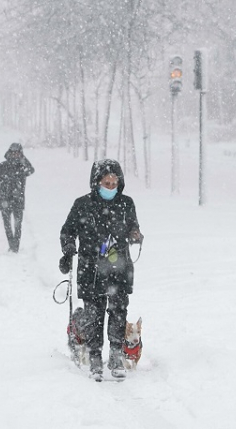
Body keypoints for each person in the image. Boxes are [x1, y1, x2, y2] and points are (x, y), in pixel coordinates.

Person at [59, 159, 143, 381]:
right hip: (91, 269)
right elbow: (67, 231)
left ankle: (116, 355)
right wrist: (68, 250)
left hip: (119, 268)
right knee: (93, 315)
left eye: (114, 183)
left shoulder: (126, 204)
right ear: (96, 183)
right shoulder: (82, 205)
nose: (110, 187)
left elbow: (134, 225)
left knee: (118, 312)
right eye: (106, 183)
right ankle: (95, 357)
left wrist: (135, 234)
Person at [0, 143, 34, 252]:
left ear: (21, 154)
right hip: (5, 200)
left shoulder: (22, 167)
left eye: (17, 153)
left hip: (18, 200)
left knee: (18, 225)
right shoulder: (3, 166)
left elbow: (31, 170)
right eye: (13, 152)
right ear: (9, 153)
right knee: (7, 225)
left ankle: (15, 247)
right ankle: (11, 244)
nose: (15, 155)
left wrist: (23, 159)